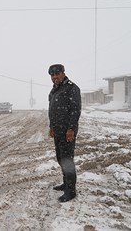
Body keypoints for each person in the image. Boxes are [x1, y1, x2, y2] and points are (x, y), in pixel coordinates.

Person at [48, 64, 81, 202]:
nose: (55, 77)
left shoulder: (72, 88)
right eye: (52, 75)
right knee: (61, 158)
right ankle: (65, 183)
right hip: (58, 130)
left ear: (63, 73)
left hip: (67, 131)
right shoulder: (55, 90)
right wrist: (52, 126)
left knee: (67, 160)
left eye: (57, 74)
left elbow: (75, 110)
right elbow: (52, 111)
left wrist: (71, 129)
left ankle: (71, 190)